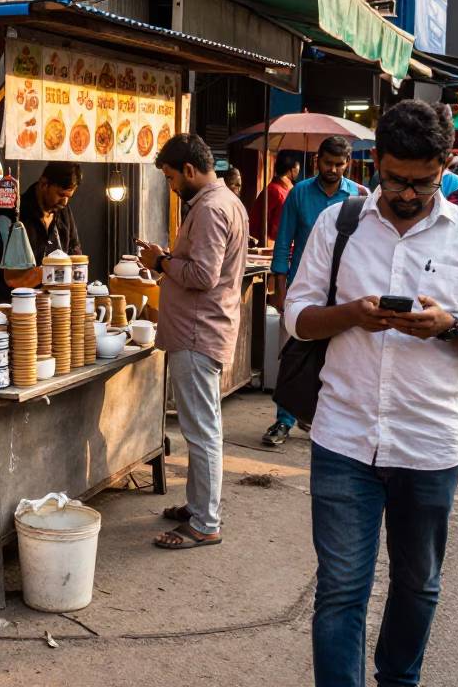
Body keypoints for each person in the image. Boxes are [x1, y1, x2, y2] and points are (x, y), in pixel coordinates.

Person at [285, 100, 458, 686]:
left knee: (418, 586)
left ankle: (398, 681)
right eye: (394, 179)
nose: (407, 194)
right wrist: (351, 315)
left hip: (430, 444)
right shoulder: (338, 224)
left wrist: (449, 328)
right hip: (343, 438)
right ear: (374, 164)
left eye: (422, 182)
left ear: (444, 167)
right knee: (340, 591)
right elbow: (296, 317)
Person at [136, 134, 248, 549]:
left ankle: (205, 522)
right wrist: (167, 257)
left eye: (170, 178)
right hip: (202, 329)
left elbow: (203, 276)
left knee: (201, 431)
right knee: (202, 427)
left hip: (198, 332)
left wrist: (161, 262)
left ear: (188, 170)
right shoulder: (222, 202)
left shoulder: (212, 208)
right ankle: (198, 505)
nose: (171, 186)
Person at [265, 135, 361, 446]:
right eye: (328, 162)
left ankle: (322, 419)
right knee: (293, 356)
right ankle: (284, 420)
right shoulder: (298, 194)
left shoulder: (359, 198)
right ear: (316, 160)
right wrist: (279, 292)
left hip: (345, 291)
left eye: (339, 164)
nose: (333, 169)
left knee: (339, 357)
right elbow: (282, 245)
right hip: (302, 289)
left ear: (348, 164)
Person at [0, 162, 82, 304]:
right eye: (60, 194)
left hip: (55, 309)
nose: (65, 201)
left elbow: (75, 256)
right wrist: (46, 273)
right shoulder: (10, 216)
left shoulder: (64, 212)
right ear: (44, 184)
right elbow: (7, 277)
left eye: (69, 196)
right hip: (13, 308)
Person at [249, 150, 301, 244]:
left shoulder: (275, 189)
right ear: (294, 169)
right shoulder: (280, 193)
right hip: (273, 245)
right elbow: (278, 230)